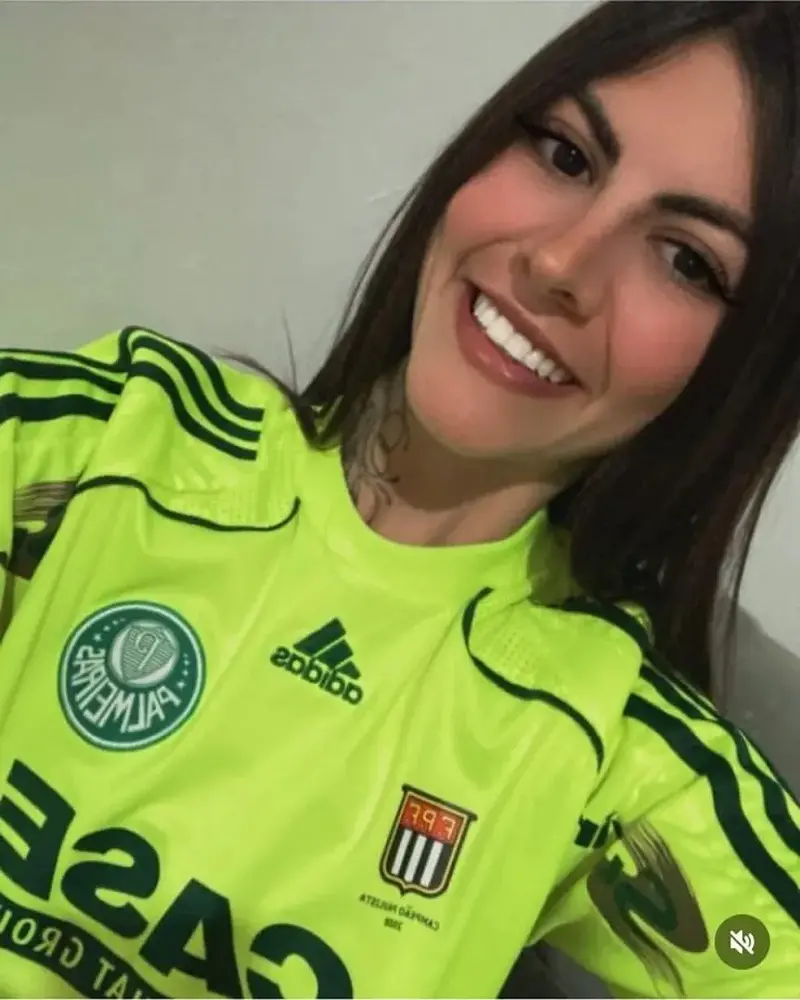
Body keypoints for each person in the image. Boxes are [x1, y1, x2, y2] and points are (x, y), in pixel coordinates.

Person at [0, 1, 797, 997]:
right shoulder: (103, 445)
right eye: (564, 155)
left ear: (737, 373)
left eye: (686, 260)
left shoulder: (615, 747)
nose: (558, 262)